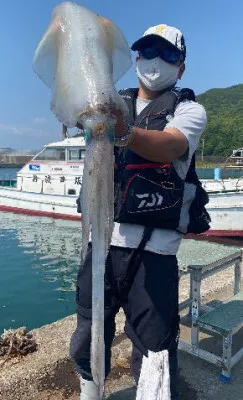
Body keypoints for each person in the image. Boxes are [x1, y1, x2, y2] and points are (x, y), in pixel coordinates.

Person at [70, 24, 209, 400]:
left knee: (154, 350)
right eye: (148, 52)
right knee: (87, 334)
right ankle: (90, 394)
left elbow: (171, 146)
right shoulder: (113, 100)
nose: (156, 62)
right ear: (135, 59)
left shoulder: (189, 110)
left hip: (154, 254)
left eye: (168, 56)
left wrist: (125, 133)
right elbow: (76, 113)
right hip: (99, 245)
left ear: (181, 68)